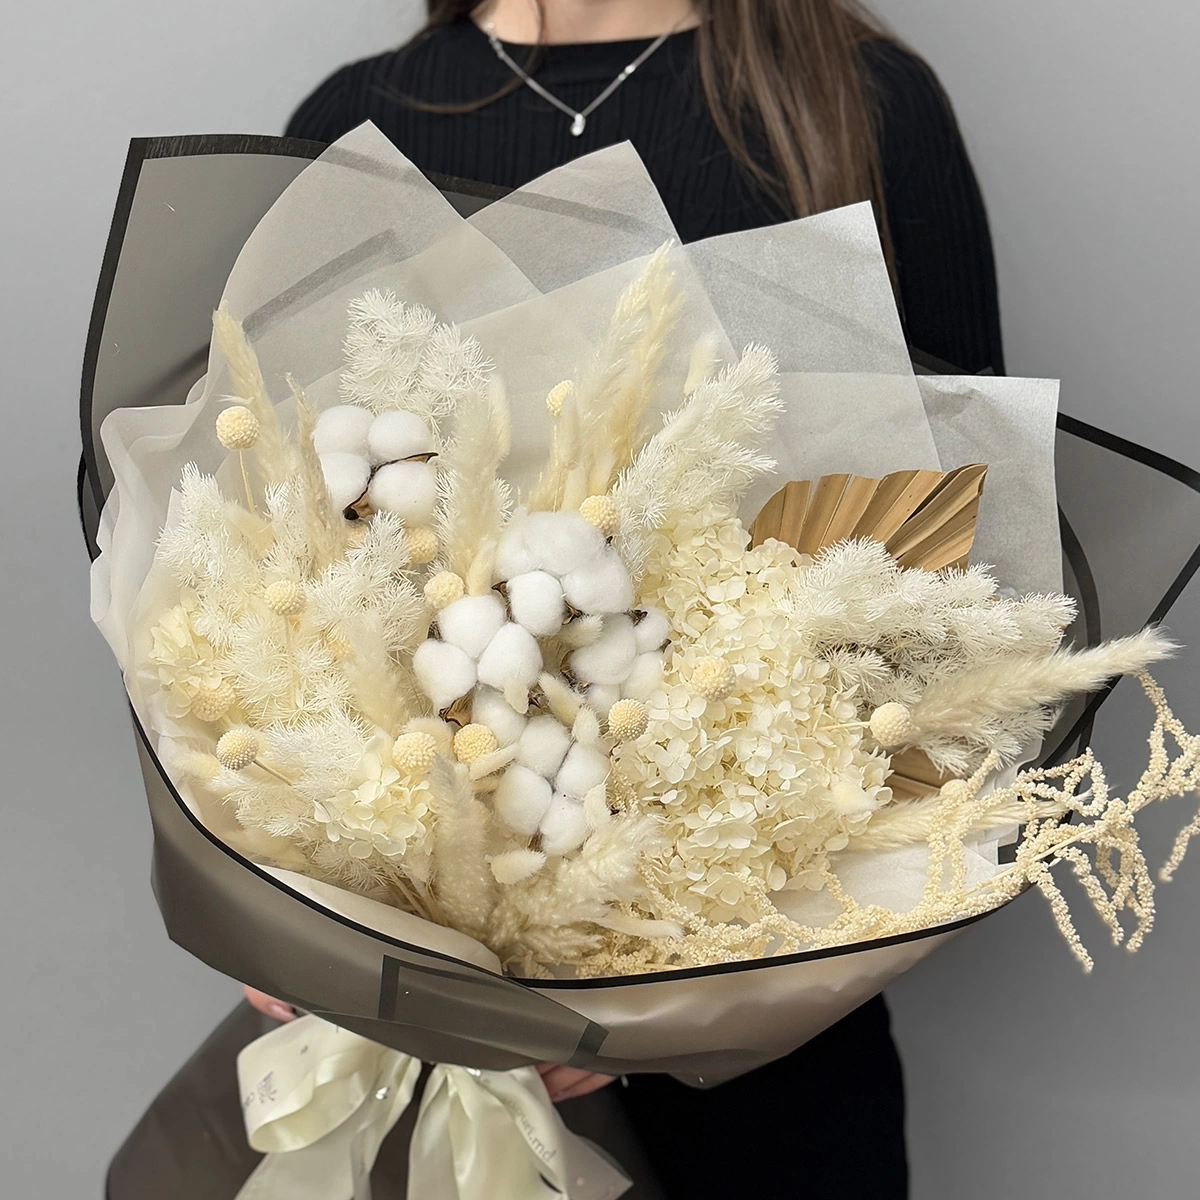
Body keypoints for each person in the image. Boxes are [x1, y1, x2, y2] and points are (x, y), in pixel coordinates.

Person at [258, 2, 1006, 1195]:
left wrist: (665, 972)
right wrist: (282, 890)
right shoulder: (355, 120)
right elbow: (279, 541)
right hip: (402, 1002)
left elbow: (963, 550)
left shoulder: (856, 106)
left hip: (759, 993)